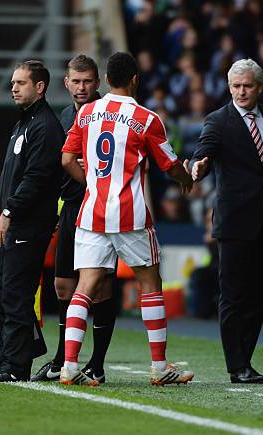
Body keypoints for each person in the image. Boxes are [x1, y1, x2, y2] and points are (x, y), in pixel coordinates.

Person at [60, 52, 194, 386]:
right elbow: (169, 164)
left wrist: (91, 182)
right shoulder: (147, 118)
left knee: (85, 288)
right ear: (135, 79)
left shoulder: (87, 112)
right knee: (150, 285)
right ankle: (160, 366)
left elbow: (66, 159)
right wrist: (187, 177)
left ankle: (69, 366)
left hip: (92, 212)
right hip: (130, 214)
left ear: (105, 80)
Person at [190, 58, 263, 384]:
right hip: (235, 221)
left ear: (259, 87)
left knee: (261, 294)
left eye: (247, 86)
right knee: (233, 295)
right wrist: (198, 165)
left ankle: (244, 360)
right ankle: (237, 366)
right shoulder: (218, 120)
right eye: (235, 86)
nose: (240, 92)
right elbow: (203, 151)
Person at [0, 60, 64, 382]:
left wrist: (7, 214)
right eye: (13, 83)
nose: (13, 88)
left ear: (39, 87)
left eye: (21, 83)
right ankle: (8, 363)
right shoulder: (25, 122)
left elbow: (36, 179)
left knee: (16, 294)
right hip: (18, 226)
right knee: (8, 293)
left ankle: (15, 368)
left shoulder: (44, 126)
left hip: (27, 226)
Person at [31, 54, 117, 385]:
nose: (81, 87)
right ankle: (61, 359)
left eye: (87, 82)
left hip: (99, 210)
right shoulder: (65, 115)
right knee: (63, 286)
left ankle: (97, 363)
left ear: (98, 83)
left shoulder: (110, 114)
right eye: (75, 82)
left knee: (100, 288)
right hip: (69, 209)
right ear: (66, 83)